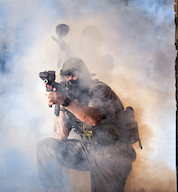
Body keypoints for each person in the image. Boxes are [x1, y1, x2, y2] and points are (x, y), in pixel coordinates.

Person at [37, 57, 137, 192]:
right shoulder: (70, 96)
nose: (71, 79)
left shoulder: (99, 89)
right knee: (46, 147)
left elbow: (93, 119)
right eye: (67, 76)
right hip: (90, 149)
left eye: (74, 74)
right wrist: (61, 106)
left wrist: (66, 101)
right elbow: (61, 135)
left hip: (113, 153)